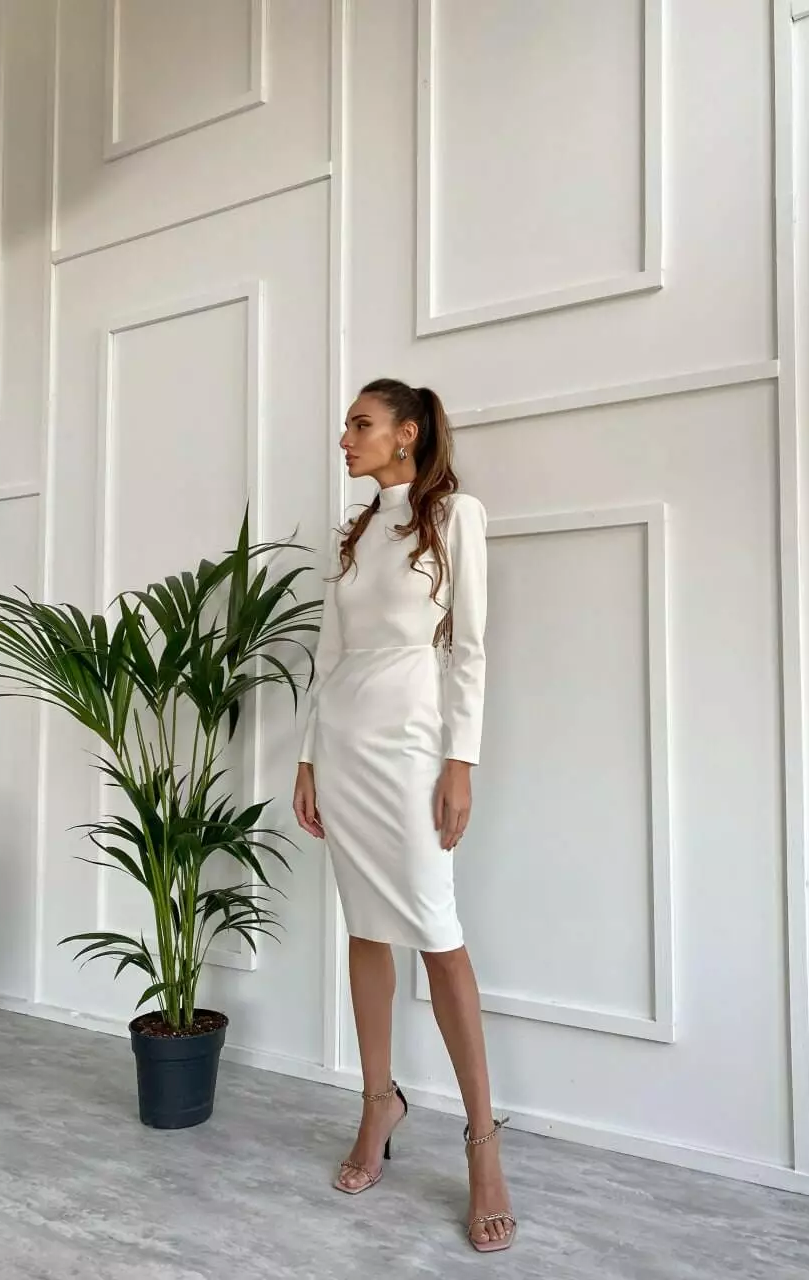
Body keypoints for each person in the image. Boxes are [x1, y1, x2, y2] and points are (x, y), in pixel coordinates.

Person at [292, 379, 516, 1253]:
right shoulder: (351, 533)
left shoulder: (456, 516)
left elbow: (471, 648)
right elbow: (328, 654)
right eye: (347, 425)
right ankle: (377, 1101)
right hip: (344, 744)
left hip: (415, 743)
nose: (345, 438)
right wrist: (307, 757)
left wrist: (461, 763)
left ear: (408, 433)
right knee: (366, 928)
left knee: (438, 932)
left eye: (362, 424)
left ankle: (483, 1143)